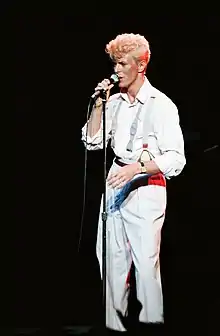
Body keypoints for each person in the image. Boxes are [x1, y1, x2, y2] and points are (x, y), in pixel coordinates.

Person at [81, 33, 186, 332]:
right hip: (115, 182)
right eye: (114, 63)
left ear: (140, 65)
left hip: (146, 186)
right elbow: (91, 142)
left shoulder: (161, 105)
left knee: (145, 262)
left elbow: (175, 159)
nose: (116, 70)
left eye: (122, 63)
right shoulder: (113, 103)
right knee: (111, 260)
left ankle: (152, 323)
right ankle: (114, 325)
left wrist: (136, 168)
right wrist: (99, 106)